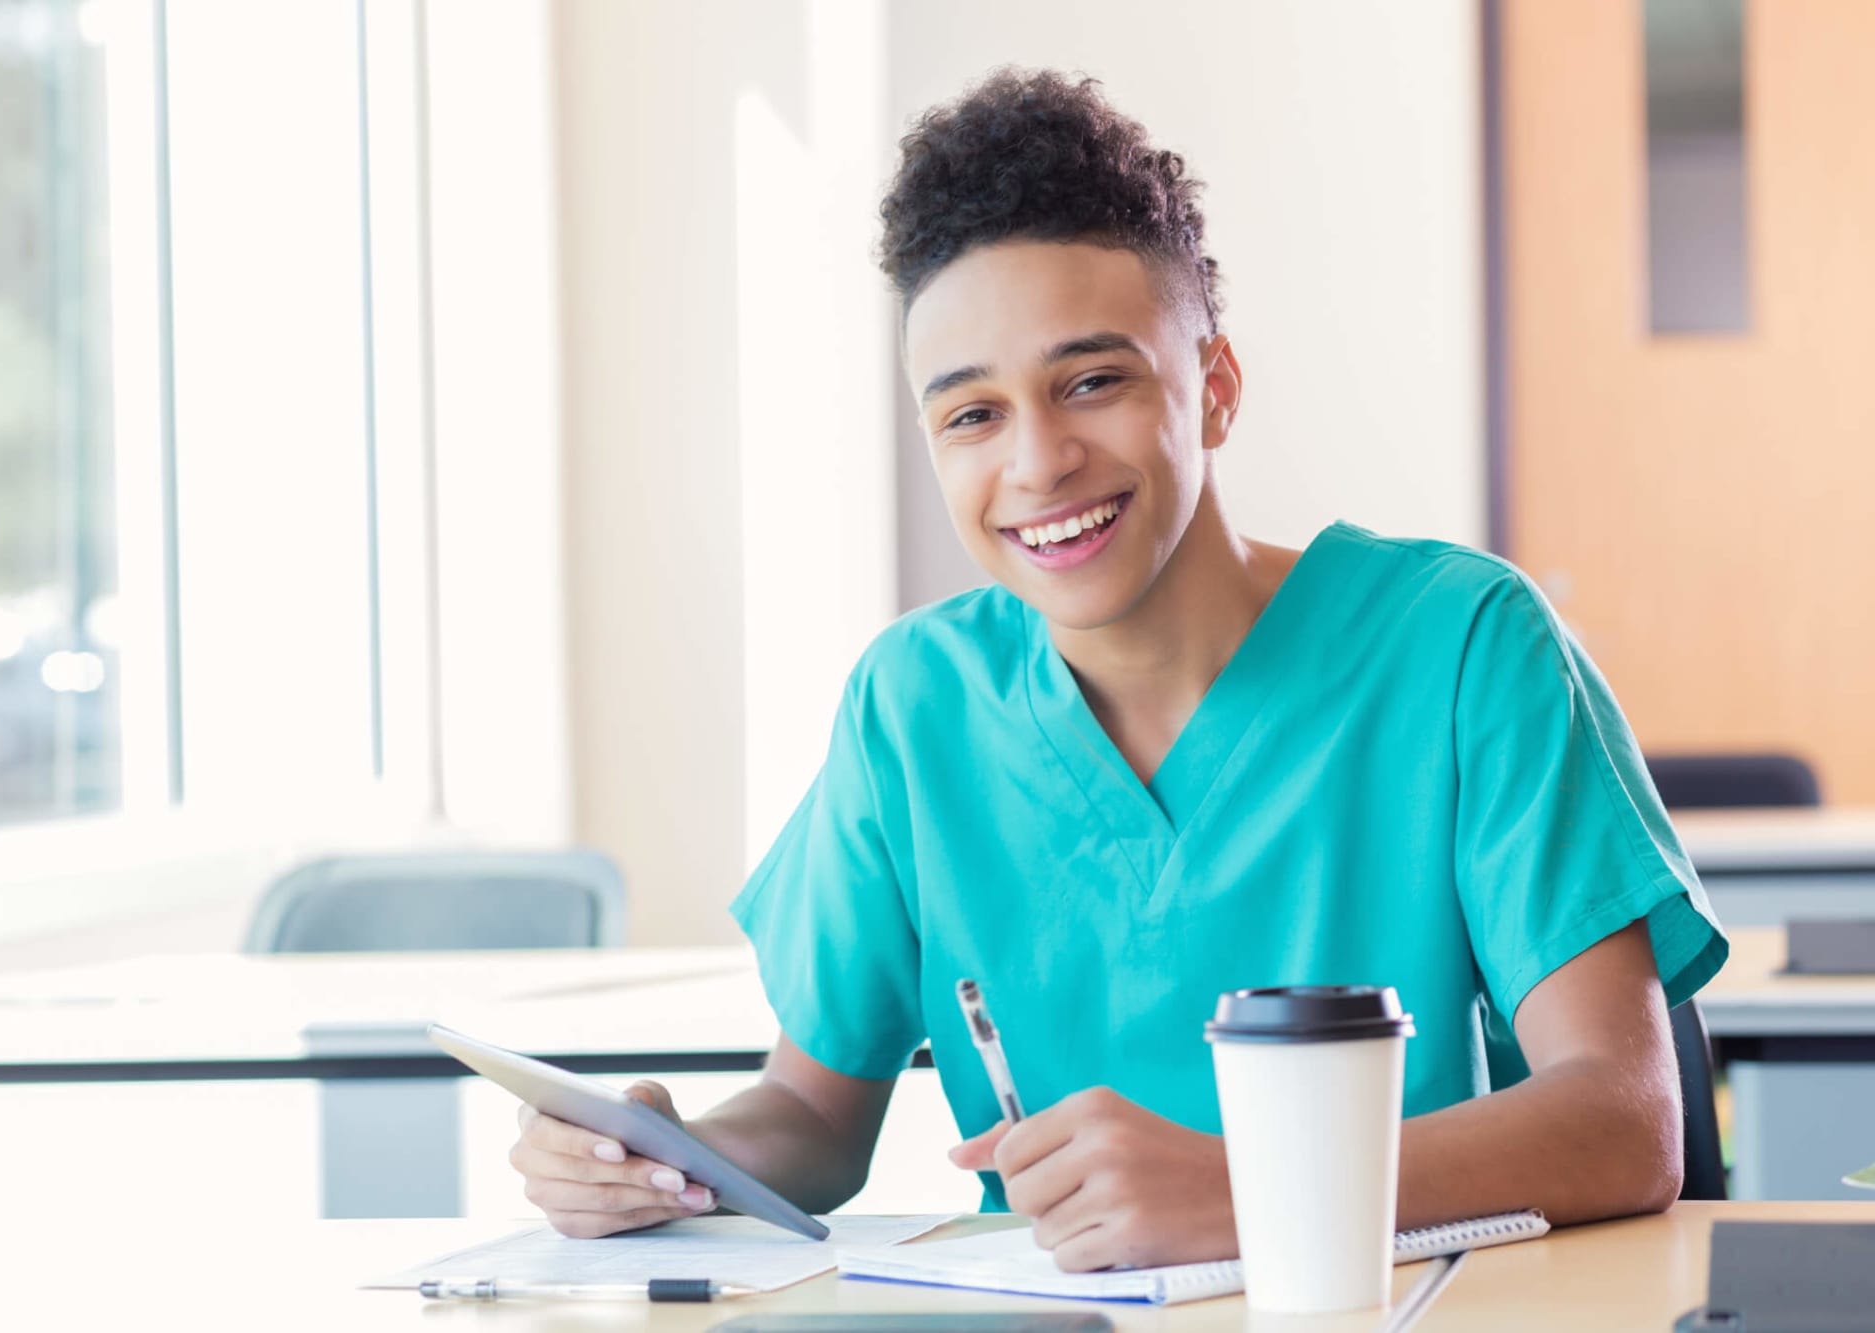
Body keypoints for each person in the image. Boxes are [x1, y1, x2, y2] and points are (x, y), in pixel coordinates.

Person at [510, 68, 1727, 1271]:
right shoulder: (910, 706)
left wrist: (1255, 1192)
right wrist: (664, 1159)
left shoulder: (1460, 644)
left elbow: (1622, 1122)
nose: (1036, 462)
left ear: (1213, 389)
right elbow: (815, 1117)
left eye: (1091, 381)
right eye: (970, 415)